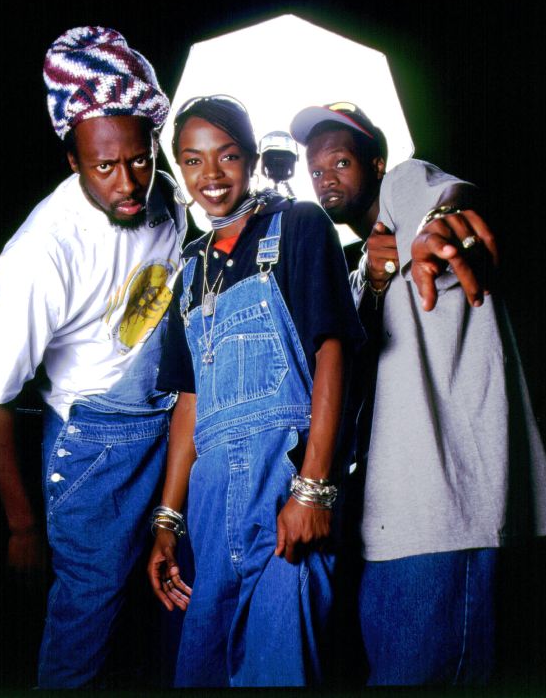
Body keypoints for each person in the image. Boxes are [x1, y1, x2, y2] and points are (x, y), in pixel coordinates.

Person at [290, 102, 546, 686]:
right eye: (315, 170)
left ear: (376, 163)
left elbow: (441, 203)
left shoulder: (404, 185)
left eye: (340, 161)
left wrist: (442, 225)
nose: (326, 178)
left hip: (443, 511)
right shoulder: (357, 274)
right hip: (385, 524)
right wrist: (375, 280)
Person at [0, 26, 186, 689]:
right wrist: (21, 524)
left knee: (177, 603)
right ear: (73, 160)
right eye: (104, 167)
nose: (128, 183)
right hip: (94, 442)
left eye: (140, 160)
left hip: (172, 419)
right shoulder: (40, 254)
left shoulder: (169, 196)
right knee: (88, 625)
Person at [146, 95, 364, 687]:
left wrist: (313, 490)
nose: (211, 175)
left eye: (227, 155)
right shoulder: (190, 269)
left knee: (280, 669)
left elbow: (333, 353)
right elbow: (189, 402)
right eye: (192, 161)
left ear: (251, 158)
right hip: (210, 509)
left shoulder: (299, 226)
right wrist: (168, 521)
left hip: (284, 496)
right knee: (203, 671)